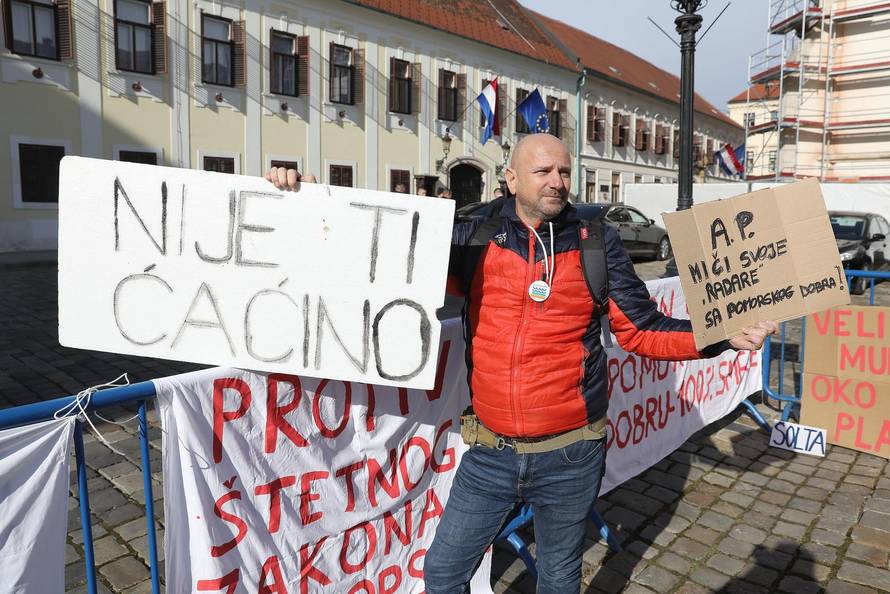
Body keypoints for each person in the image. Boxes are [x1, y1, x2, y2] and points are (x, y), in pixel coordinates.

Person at [264, 134, 776, 594]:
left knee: (556, 577)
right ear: (511, 179)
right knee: (443, 572)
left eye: (563, 172)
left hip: (572, 452)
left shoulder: (595, 241)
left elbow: (640, 331)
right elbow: (382, 255)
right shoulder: (471, 237)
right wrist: (312, 204)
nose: (557, 182)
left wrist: (720, 337)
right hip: (491, 453)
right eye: (542, 171)